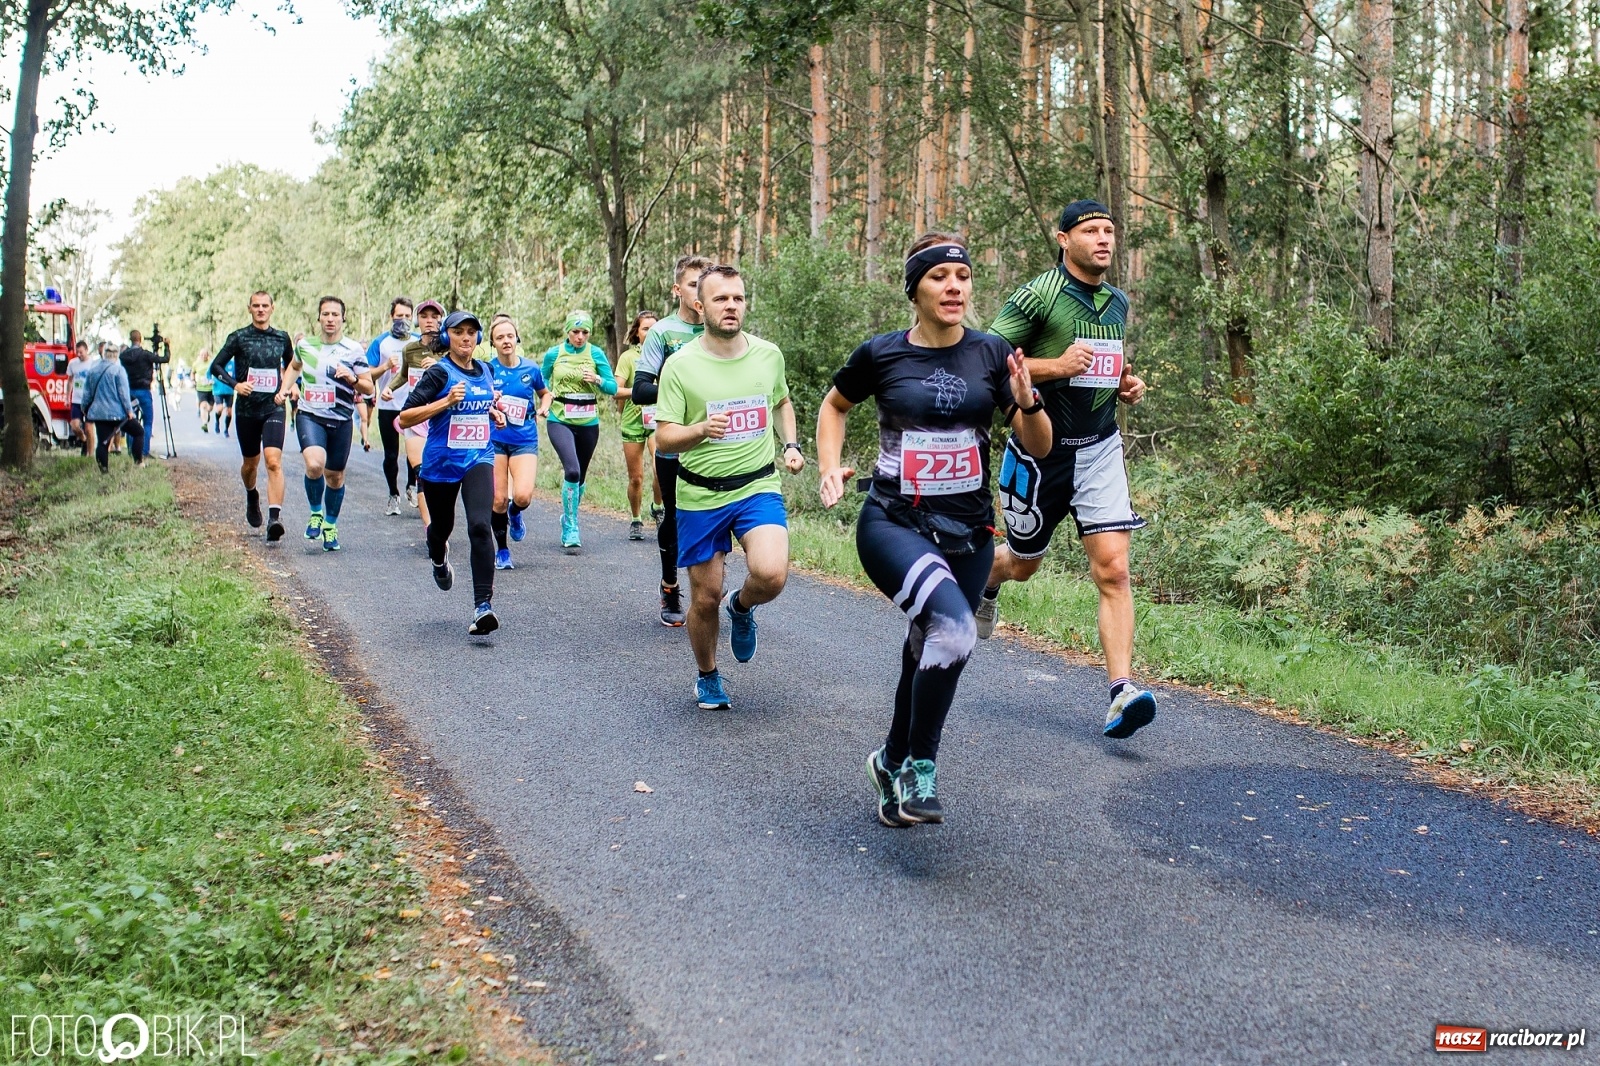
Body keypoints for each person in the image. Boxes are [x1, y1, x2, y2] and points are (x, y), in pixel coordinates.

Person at [818, 234, 1054, 827]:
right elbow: (834, 406)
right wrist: (828, 467)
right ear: (915, 290)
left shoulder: (992, 352)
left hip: (970, 532)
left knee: (931, 645)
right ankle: (921, 768)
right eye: (939, 277)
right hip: (894, 521)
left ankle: (889, 759)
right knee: (953, 629)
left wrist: (1028, 403)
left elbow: (1038, 445)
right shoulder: (881, 354)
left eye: (963, 277)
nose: (954, 287)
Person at [975, 200, 1156, 739]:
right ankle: (987, 578)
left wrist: (1124, 382)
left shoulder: (1117, 302)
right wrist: (1056, 366)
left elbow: (1102, 365)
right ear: (1063, 238)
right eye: (1091, 231)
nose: (1103, 239)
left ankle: (1121, 691)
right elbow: (988, 359)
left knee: (1114, 570)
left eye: (1110, 231)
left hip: (1100, 446)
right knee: (1024, 564)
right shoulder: (1039, 295)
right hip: (1040, 450)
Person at [654, 264, 804, 711]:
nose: (732, 306)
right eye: (721, 299)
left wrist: (791, 444)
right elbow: (664, 436)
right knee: (704, 597)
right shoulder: (680, 365)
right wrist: (700, 430)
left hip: (757, 485)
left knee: (772, 574)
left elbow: (780, 400)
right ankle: (708, 675)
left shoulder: (767, 354)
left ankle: (743, 607)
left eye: (738, 298)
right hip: (700, 493)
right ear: (700, 306)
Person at [397, 311, 507, 635]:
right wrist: (444, 402)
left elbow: (478, 403)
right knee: (441, 529)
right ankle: (438, 558)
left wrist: (493, 413)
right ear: (448, 337)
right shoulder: (439, 373)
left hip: (478, 458)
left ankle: (482, 606)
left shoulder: (485, 370)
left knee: (479, 524)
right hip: (441, 465)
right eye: (459, 332)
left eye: (472, 332)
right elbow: (405, 417)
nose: (466, 338)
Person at [628, 254, 712, 624]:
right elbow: (641, 390)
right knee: (676, 515)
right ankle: (669, 586)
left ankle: (709, 587)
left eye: (705, 283)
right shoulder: (663, 332)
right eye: (694, 284)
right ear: (678, 289)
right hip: (674, 439)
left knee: (715, 516)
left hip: (715, 444)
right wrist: (680, 389)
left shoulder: (722, 328)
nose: (700, 291)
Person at [286, 296, 372, 552]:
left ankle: (330, 526)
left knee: (335, 477)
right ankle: (315, 513)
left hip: (341, 419)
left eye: (336, 314)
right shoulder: (305, 346)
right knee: (314, 464)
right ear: (319, 318)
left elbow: (368, 387)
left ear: (343, 318)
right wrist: (284, 388)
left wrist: (353, 378)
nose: (331, 319)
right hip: (310, 415)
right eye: (326, 314)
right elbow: (294, 366)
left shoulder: (353, 349)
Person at [210, 291, 296, 541]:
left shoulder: (281, 337)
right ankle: (251, 494)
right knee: (251, 465)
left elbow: (293, 365)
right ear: (249, 308)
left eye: (265, 306)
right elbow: (216, 365)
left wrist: (288, 388)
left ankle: (274, 518)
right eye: (256, 306)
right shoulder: (239, 337)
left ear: (272, 308)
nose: (260, 309)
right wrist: (235, 384)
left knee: (273, 461)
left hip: (274, 406)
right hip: (247, 409)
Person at [540, 310, 617, 554]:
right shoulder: (554, 354)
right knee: (571, 470)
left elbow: (613, 387)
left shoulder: (595, 353)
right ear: (567, 331)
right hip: (560, 419)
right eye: (575, 332)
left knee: (581, 477)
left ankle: (567, 516)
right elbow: (540, 383)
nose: (580, 337)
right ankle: (572, 526)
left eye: (585, 332)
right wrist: (544, 402)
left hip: (588, 422)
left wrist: (596, 379)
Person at [487, 314, 549, 570]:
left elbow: (545, 393)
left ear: (516, 338)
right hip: (496, 438)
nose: (506, 341)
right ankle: (502, 550)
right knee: (498, 499)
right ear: (493, 343)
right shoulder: (487, 370)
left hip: (524, 437)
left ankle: (516, 513)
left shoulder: (531, 369)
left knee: (522, 496)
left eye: (509, 336)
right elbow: (478, 398)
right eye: (499, 337)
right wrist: (491, 400)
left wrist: (544, 407)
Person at [381, 299, 445, 527]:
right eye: (424, 316)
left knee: (441, 474)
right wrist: (389, 387)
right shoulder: (411, 349)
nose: (429, 321)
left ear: (441, 319)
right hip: (415, 416)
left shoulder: (449, 349)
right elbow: (404, 375)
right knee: (422, 472)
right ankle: (431, 530)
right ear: (417, 320)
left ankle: (440, 518)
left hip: (442, 418)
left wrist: (438, 367)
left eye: (434, 316)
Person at [364, 296, 417, 515]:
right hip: (388, 405)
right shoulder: (380, 342)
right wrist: (385, 366)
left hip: (414, 404)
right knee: (391, 454)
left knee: (414, 452)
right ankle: (393, 494)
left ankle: (411, 487)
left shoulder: (418, 342)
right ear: (391, 317)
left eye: (407, 316)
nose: (403, 320)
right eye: (399, 316)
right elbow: (367, 375)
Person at [614, 309, 660, 540]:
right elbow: (616, 391)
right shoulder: (628, 358)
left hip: (658, 419)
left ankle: (658, 507)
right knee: (636, 477)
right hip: (633, 421)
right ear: (637, 332)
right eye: (645, 328)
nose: (650, 333)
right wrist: (639, 392)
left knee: (659, 466)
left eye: (654, 328)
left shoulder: (666, 355)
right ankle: (635, 519)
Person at [80, 349, 145, 472]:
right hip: (118, 413)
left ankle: (103, 471)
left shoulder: (93, 371)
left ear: (104, 355)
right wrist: (129, 411)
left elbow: (87, 393)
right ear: (116, 357)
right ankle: (138, 461)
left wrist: (84, 408)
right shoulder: (118, 371)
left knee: (103, 443)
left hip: (99, 413)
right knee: (139, 432)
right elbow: (123, 394)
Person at [119, 330, 169, 454]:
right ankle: (144, 451)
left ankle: (132, 451)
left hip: (129, 392)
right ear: (140, 339)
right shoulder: (146, 355)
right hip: (144, 390)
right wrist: (167, 346)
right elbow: (165, 359)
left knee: (131, 421)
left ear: (130, 339)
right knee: (147, 421)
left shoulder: (124, 356)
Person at [67, 339, 94, 456]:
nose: (79, 355)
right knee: (74, 426)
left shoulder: (93, 364)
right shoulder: (73, 363)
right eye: (77, 352)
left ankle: (90, 454)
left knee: (89, 428)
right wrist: (67, 397)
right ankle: (83, 439)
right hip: (76, 400)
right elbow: (70, 381)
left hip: (89, 401)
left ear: (86, 350)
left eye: (81, 352)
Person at [195, 355, 215, 432]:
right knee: (203, 406)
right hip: (201, 388)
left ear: (207, 355)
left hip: (210, 388)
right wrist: (193, 379)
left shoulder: (211, 363)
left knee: (210, 407)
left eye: (205, 355)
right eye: (202, 355)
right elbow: (193, 372)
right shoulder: (196, 364)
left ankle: (207, 414)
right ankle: (204, 423)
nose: (203, 356)